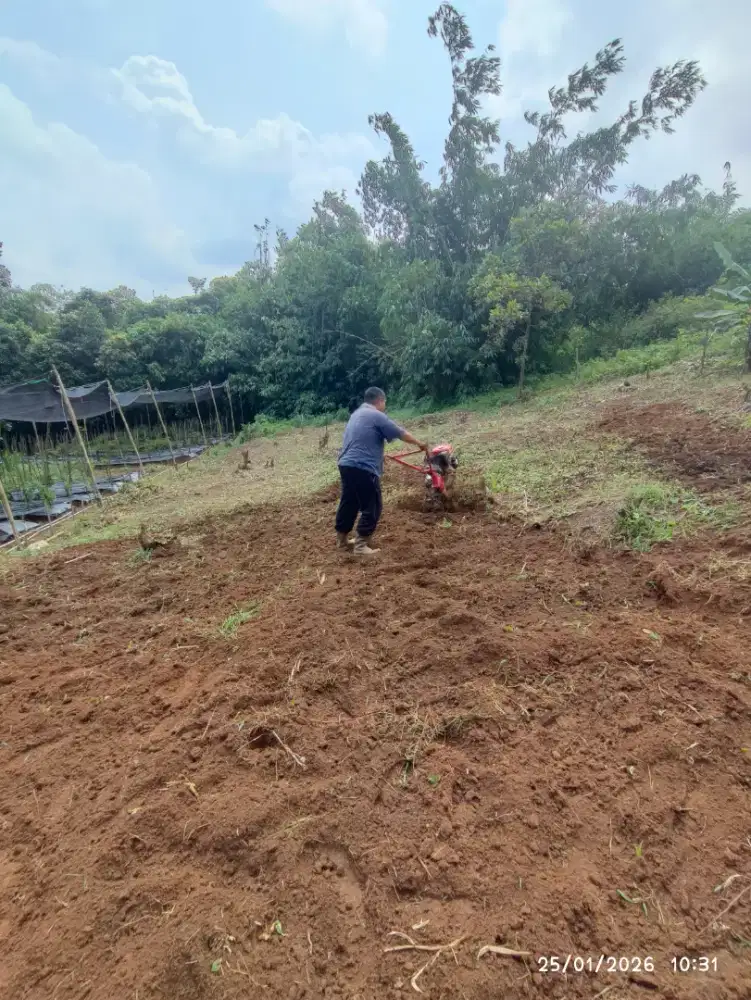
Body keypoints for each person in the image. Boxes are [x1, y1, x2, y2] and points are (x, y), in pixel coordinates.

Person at [336, 387, 427, 556]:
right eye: (385, 402)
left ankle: (342, 540)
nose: (385, 405)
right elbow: (400, 433)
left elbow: (361, 440)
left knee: (350, 501)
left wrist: (378, 454)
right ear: (380, 400)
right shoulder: (377, 415)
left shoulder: (356, 415)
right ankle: (361, 545)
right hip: (363, 466)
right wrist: (420, 443)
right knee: (373, 504)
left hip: (345, 464)